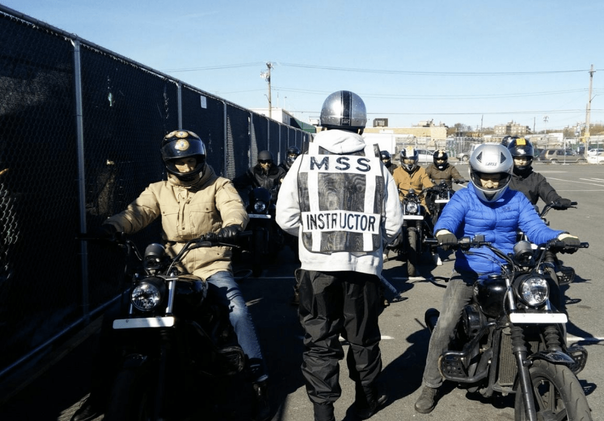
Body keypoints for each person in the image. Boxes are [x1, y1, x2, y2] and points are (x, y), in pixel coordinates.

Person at [72, 130, 272, 421]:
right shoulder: (158, 190)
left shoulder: (220, 185)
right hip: (170, 268)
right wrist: (112, 227)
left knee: (238, 311)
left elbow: (234, 209)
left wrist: (231, 227)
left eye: (192, 161)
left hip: (210, 266)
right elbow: (136, 213)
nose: (186, 168)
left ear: (201, 159)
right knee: (116, 315)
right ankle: (100, 394)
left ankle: (259, 382)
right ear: (169, 163)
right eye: (179, 163)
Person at [413, 143, 580, 414]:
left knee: (543, 308)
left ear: (507, 175)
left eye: (498, 177)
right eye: (484, 176)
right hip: (469, 273)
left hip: (509, 270)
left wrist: (559, 236)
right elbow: (448, 220)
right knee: (444, 325)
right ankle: (430, 385)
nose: (490, 183)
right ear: (474, 173)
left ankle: (552, 367)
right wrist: (445, 233)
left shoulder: (516, 200)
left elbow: (535, 228)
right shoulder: (463, 198)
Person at [275, 90, 403, 421]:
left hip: (316, 268)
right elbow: (393, 226)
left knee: (319, 342)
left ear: (321, 123)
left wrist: (315, 236)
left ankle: (323, 412)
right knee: (362, 339)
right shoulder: (377, 167)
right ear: (361, 127)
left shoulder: (303, 162)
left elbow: (285, 218)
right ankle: (367, 399)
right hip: (363, 269)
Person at [506, 137, 572, 209]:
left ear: (530, 159)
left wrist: (557, 200)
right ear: (511, 158)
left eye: (524, 159)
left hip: (530, 216)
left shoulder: (537, 178)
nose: (521, 162)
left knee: (542, 220)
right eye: (518, 158)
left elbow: (548, 192)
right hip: (506, 215)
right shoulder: (504, 177)